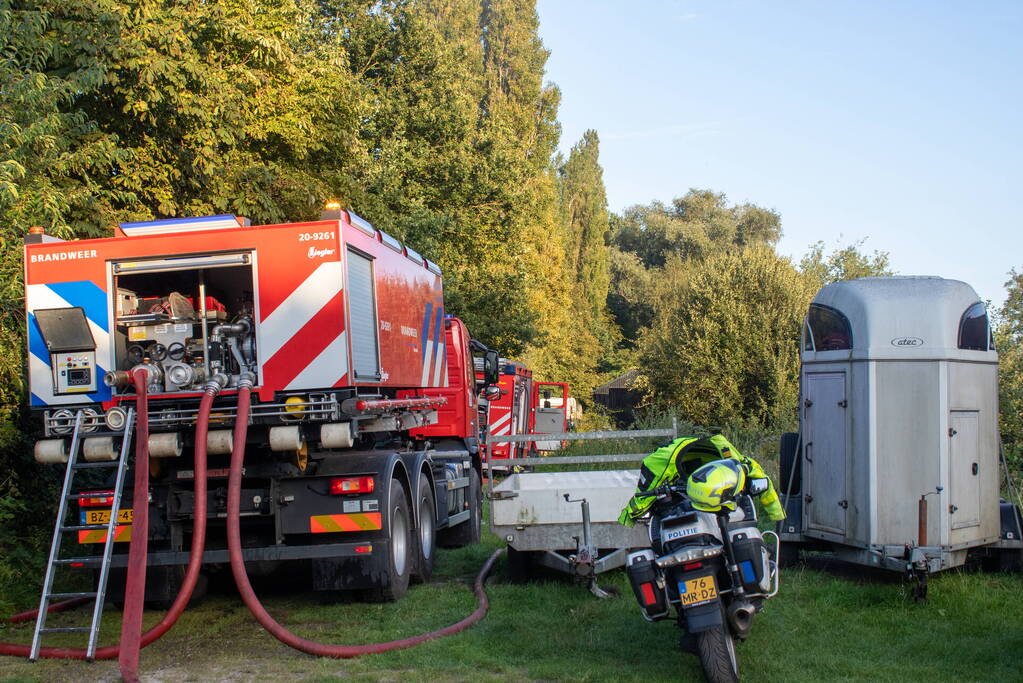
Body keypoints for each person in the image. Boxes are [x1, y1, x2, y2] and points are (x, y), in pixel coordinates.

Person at [618, 433, 785, 526]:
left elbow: (755, 473)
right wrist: (776, 516)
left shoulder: (727, 454)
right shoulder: (664, 459)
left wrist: (628, 520)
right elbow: (757, 473)